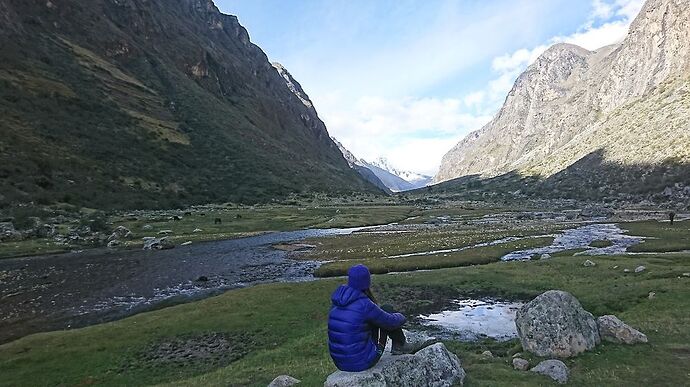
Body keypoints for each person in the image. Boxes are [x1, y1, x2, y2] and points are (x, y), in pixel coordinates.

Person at [327, 264, 422, 372]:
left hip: (340, 363)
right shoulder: (365, 304)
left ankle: (399, 346)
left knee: (370, 319)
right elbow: (390, 322)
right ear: (367, 282)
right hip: (363, 362)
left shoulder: (337, 302)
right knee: (386, 309)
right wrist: (402, 317)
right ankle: (400, 345)